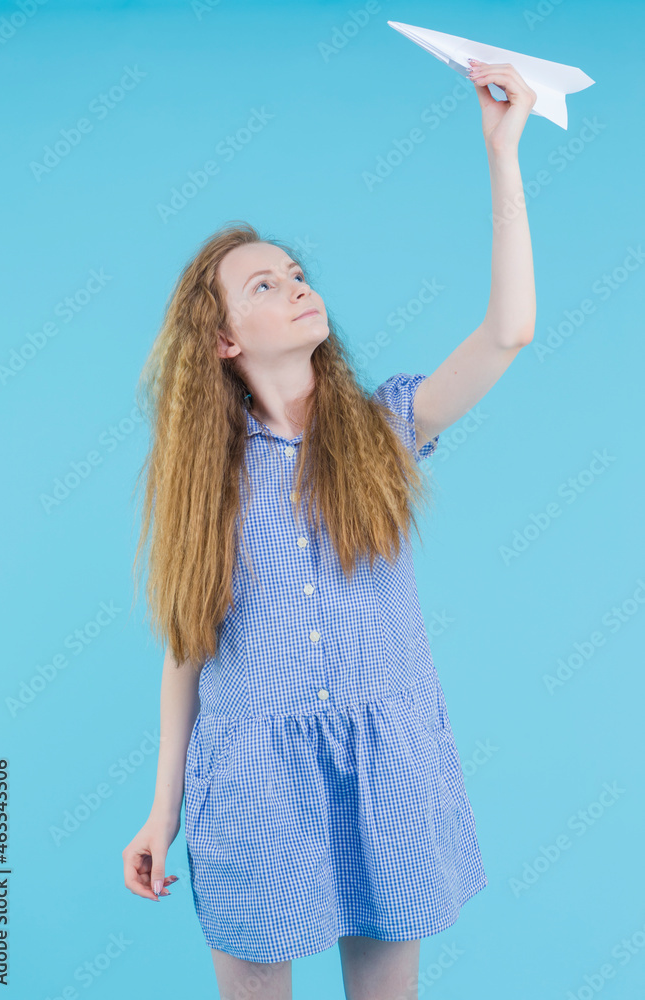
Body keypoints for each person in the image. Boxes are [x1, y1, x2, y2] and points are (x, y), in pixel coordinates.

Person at [122, 58, 537, 1000]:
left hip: (385, 766)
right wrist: (161, 813)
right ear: (223, 340)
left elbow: (507, 331)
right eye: (263, 285)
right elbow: (186, 649)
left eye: (296, 272)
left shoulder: (386, 426)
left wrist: (499, 152)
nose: (296, 285)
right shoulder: (203, 482)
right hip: (250, 779)